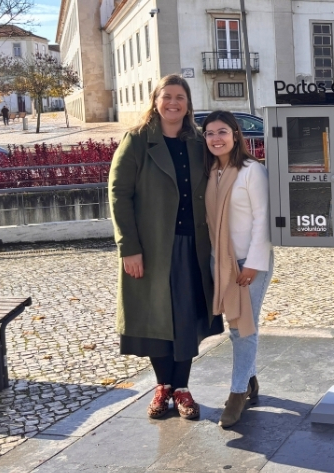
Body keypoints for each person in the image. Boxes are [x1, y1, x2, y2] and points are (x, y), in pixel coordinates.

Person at [108, 74, 223, 420]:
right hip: (153, 246)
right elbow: (118, 194)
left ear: (188, 104)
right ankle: (164, 386)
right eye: (167, 96)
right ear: (155, 101)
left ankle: (182, 387)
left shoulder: (198, 141)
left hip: (193, 245)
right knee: (156, 317)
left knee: (186, 318)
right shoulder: (137, 140)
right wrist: (128, 247)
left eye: (180, 97)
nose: (173, 103)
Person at [202, 110, 273, 428]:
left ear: (235, 135)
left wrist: (254, 264)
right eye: (210, 133)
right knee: (236, 324)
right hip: (221, 262)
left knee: (243, 329)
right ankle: (250, 379)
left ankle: (237, 393)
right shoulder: (211, 172)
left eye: (222, 132)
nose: (216, 138)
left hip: (248, 264)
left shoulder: (252, 171)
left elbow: (263, 219)